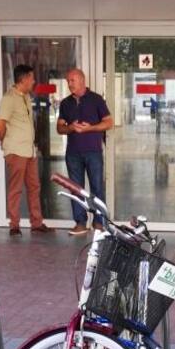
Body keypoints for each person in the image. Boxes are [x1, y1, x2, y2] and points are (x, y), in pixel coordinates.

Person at [0, 64, 50, 236]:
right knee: (16, 188)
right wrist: (6, 142)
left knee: (34, 187)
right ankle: (14, 225)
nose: (34, 81)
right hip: (16, 151)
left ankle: (36, 223)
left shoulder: (26, 96)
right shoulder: (9, 98)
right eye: (32, 78)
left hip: (29, 150)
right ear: (24, 79)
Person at [57, 68, 113, 235]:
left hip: (93, 152)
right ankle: (80, 223)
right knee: (76, 189)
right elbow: (59, 128)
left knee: (97, 188)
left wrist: (91, 128)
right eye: (68, 81)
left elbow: (108, 123)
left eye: (72, 81)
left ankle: (99, 222)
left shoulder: (96, 99)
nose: (69, 84)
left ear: (82, 80)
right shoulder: (65, 103)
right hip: (73, 153)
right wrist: (70, 127)